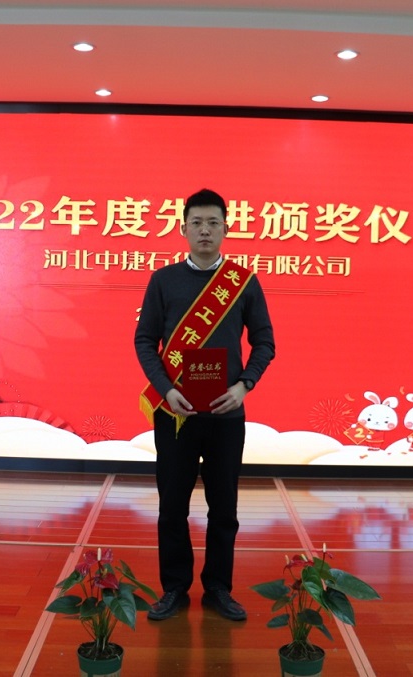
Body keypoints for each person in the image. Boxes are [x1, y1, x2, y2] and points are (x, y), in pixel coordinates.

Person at [134, 188, 275, 622]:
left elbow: (265, 343)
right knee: (172, 506)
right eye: (196, 223)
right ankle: (174, 588)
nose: (205, 230)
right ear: (183, 229)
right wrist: (165, 389)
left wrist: (244, 385)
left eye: (214, 222)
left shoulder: (243, 282)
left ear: (226, 229)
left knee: (224, 507)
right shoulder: (163, 280)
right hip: (175, 414)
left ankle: (218, 588)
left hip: (226, 415)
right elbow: (145, 341)